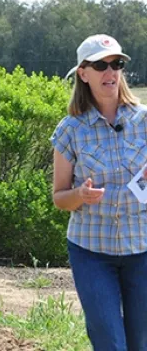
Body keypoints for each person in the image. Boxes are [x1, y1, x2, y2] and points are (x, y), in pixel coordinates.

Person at [51, 34, 147, 351]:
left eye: (116, 64)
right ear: (83, 73)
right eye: (100, 65)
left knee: (141, 342)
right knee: (110, 343)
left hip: (142, 248)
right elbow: (59, 197)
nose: (110, 72)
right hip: (91, 252)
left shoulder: (144, 120)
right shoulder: (70, 129)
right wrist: (80, 194)